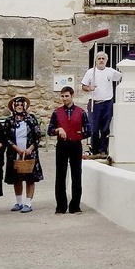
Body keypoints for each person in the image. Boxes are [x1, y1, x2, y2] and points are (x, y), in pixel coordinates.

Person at [47, 87, 91, 215]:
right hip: (62, 145)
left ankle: (75, 206)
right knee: (60, 175)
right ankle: (60, 206)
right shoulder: (57, 112)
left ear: (72, 96)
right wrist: (58, 130)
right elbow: (50, 130)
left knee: (76, 175)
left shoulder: (81, 112)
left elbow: (88, 130)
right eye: (62, 96)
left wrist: (77, 135)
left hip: (75, 145)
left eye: (66, 96)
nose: (64, 99)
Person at [3, 96, 43, 213]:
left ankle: (28, 203)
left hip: (29, 152)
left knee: (30, 178)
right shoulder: (9, 121)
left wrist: (30, 148)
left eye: (21, 105)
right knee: (17, 178)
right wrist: (16, 149)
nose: (19, 107)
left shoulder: (31, 119)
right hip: (14, 152)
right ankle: (19, 202)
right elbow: (6, 137)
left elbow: (37, 136)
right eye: (17, 105)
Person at [81, 51, 123, 157]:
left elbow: (121, 76)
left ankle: (103, 149)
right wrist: (89, 88)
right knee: (94, 129)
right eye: (99, 58)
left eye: (103, 59)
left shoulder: (110, 71)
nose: (101, 60)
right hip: (94, 103)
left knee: (105, 128)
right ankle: (95, 150)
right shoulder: (91, 72)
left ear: (106, 60)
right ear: (96, 60)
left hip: (107, 103)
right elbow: (83, 86)